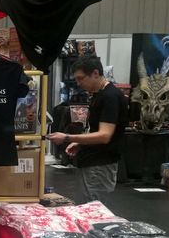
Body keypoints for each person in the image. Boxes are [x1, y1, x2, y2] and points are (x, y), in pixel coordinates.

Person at [49, 56, 128, 204]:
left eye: (81, 78)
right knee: (87, 207)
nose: (78, 83)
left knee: (93, 209)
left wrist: (68, 137)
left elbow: (104, 135)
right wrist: (81, 143)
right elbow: (97, 129)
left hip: (100, 165)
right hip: (93, 163)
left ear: (95, 73)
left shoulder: (110, 97)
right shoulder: (100, 95)